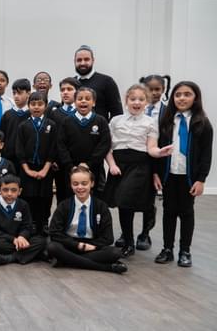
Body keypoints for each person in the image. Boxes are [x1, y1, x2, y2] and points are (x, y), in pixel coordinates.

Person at [104, 84, 172, 257]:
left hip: (140, 166)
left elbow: (151, 148)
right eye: (133, 99)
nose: (136, 102)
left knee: (127, 200)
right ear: (126, 100)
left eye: (141, 99)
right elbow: (108, 147)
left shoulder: (150, 123)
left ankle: (136, 235)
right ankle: (128, 241)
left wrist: (160, 152)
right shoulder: (115, 120)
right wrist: (111, 165)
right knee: (122, 204)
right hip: (119, 165)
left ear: (147, 102)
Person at [153, 81, 213, 267]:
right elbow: (157, 149)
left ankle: (185, 251)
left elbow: (206, 155)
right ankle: (167, 249)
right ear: (172, 98)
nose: (182, 98)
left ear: (195, 98)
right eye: (178, 94)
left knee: (186, 212)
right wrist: (155, 173)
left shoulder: (202, 123)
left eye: (187, 94)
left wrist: (201, 179)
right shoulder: (166, 120)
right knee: (168, 212)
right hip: (169, 175)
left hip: (189, 177)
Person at [47, 164, 127, 274]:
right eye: (75, 184)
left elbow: (108, 238)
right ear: (71, 185)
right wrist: (77, 245)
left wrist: (91, 246)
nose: (80, 187)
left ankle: (66, 261)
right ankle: (107, 268)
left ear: (92, 183)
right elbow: (54, 232)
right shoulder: (64, 205)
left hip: (92, 247)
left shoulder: (101, 206)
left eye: (84, 183)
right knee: (52, 247)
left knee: (115, 252)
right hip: (70, 245)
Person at [15, 92, 57, 235]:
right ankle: (30, 223)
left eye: (40, 104)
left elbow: (53, 149)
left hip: (46, 168)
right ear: (28, 106)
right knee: (28, 196)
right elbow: (19, 149)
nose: (36, 107)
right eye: (33, 104)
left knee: (45, 196)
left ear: (45, 106)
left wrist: (46, 169)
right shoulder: (23, 126)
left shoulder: (52, 125)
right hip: (27, 168)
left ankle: (44, 222)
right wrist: (27, 170)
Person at [0, 174, 47, 267]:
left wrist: (22, 236)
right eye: (5, 190)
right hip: (3, 240)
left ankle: (9, 258)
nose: (9, 193)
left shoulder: (23, 205)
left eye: (13, 190)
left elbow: (27, 226)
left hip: (19, 240)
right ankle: (33, 254)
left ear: (19, 191)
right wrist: (13, 239)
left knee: (40, 241)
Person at [57, 87, 111, 197]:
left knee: (95, 201)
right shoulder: (66, 121)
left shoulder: (100, 121)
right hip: (71, 170)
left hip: (94, 169)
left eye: (87, 98)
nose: (83, 101)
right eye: (80, 98)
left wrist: (89, 164)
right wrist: (71, 166)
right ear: (75, 102)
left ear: (94, 103)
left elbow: (104, 144)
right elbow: (61, 145)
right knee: (71, 200)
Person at [47, 77, 80, 204]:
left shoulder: (82, 112)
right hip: (60, 164)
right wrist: (53, 159)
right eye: (62, 90)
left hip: (78, 161)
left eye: (69, 89)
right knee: (62, 195)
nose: (65, 92)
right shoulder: (54, 113)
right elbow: (51, 138)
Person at [74, 45, 123, 120]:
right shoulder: (70, 84)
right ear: (74, 61)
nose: (82, 63)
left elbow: (117, 113)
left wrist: (106, 129)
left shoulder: (107, 81)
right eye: (79, 60)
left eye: (86, 59)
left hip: (99, 130)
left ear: (93, 60)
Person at [0, 78, 31, 168]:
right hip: (9, 159)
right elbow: (3, 136)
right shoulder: (7, 115)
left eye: (20, 93)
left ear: (28, 93)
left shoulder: (31, 114)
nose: (16, 96)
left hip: (27, 159)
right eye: (14, 93)